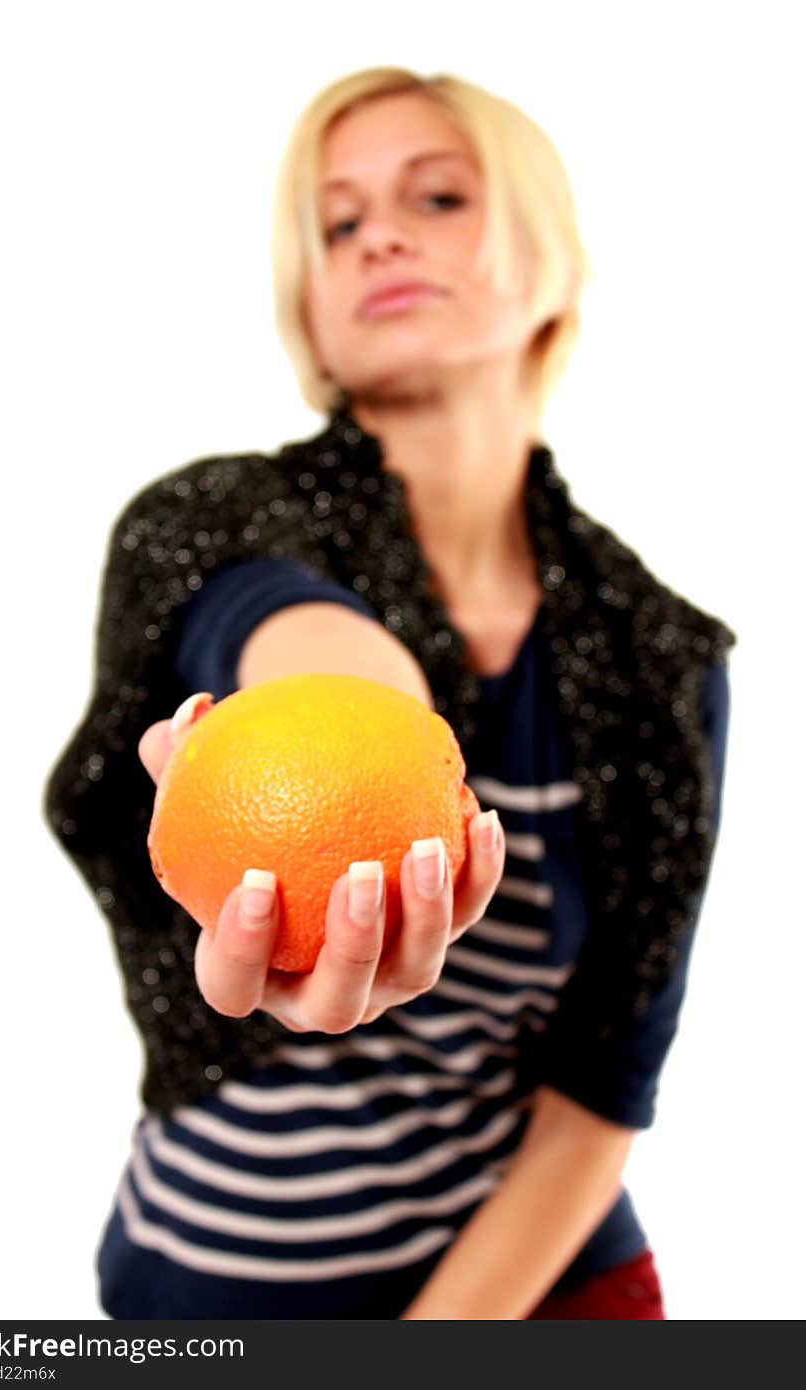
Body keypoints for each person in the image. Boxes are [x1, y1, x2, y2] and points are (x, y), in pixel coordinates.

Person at [43, 66, 735, 1320]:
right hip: (217, 1293)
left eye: (438, 196)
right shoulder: (212, 515)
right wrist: (345, 769)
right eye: (337, 222)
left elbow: (604, 1083)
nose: (383, 239)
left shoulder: (661, 655)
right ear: (308, 302)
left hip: (549, 1279)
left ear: (554, 264)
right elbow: (301, 640)